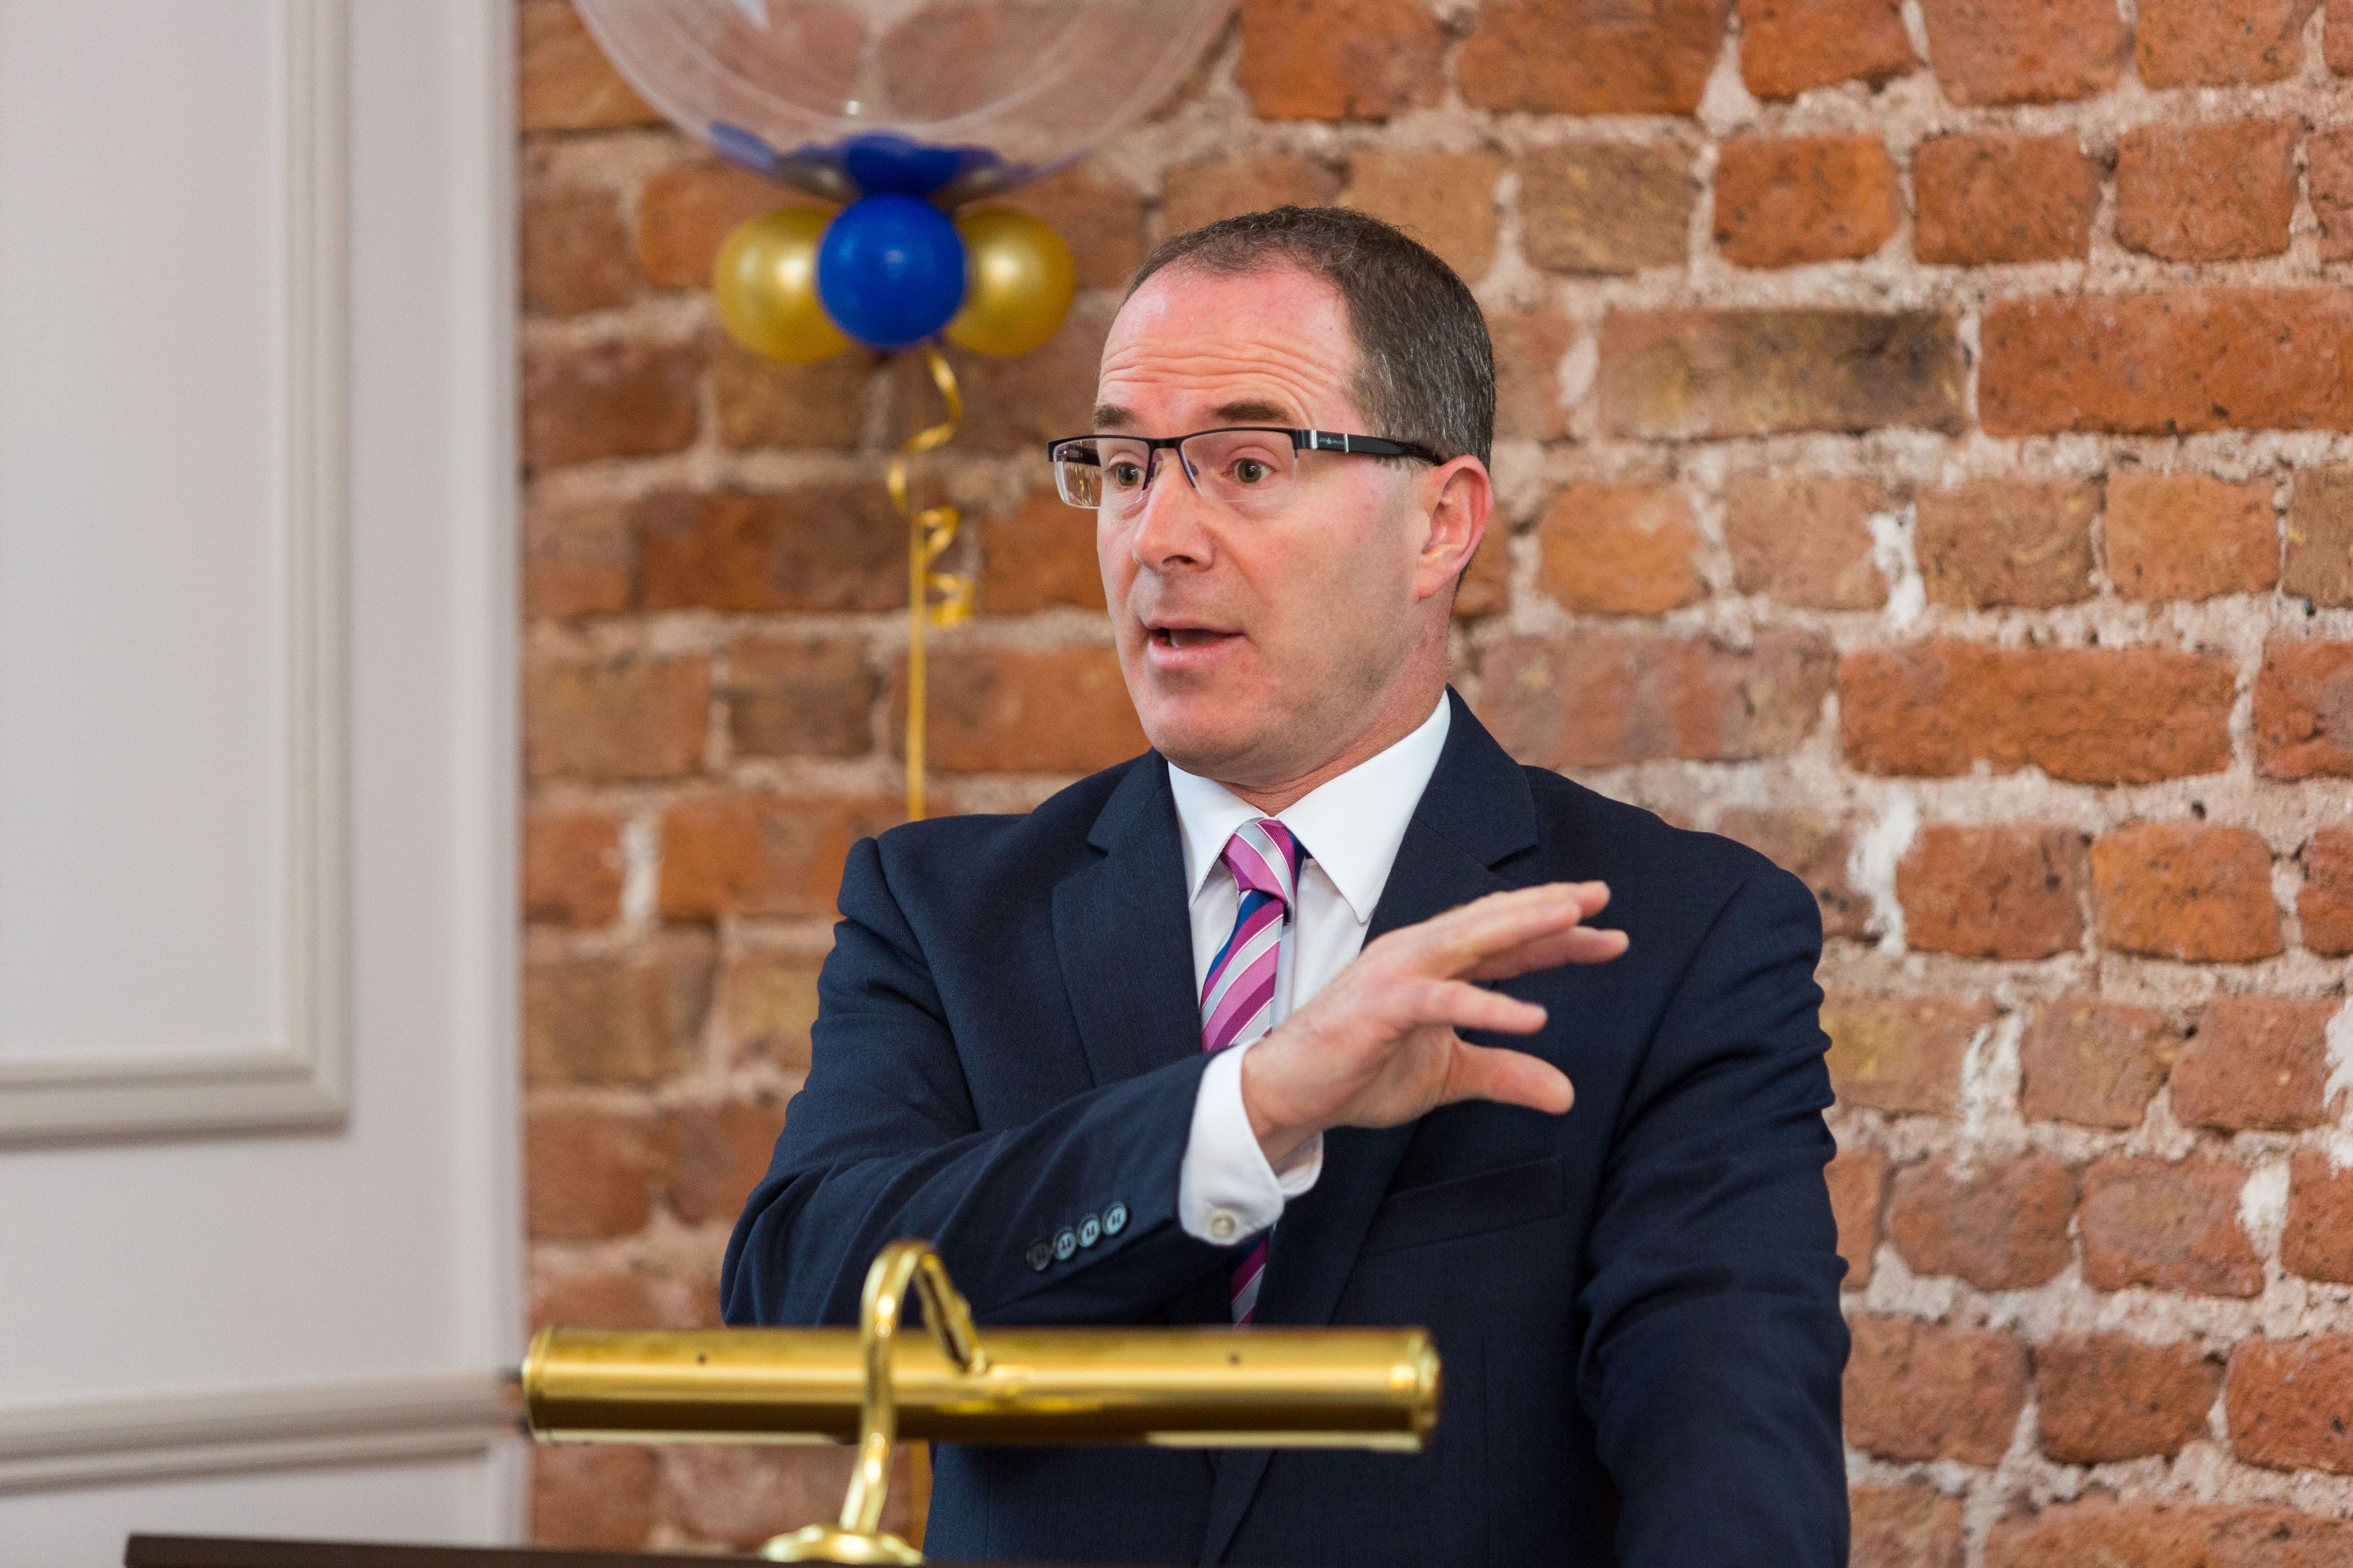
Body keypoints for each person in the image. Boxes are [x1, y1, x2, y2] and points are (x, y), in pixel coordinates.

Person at [722, 206, 1848, 1567]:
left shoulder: (1679, 935)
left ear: (1439, 523)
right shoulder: (942, 910)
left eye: (1246, 466)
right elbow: (798, 1315)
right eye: (1123, 467)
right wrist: (1249, 1109)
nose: (1156, 535)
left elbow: (1733, 1477)